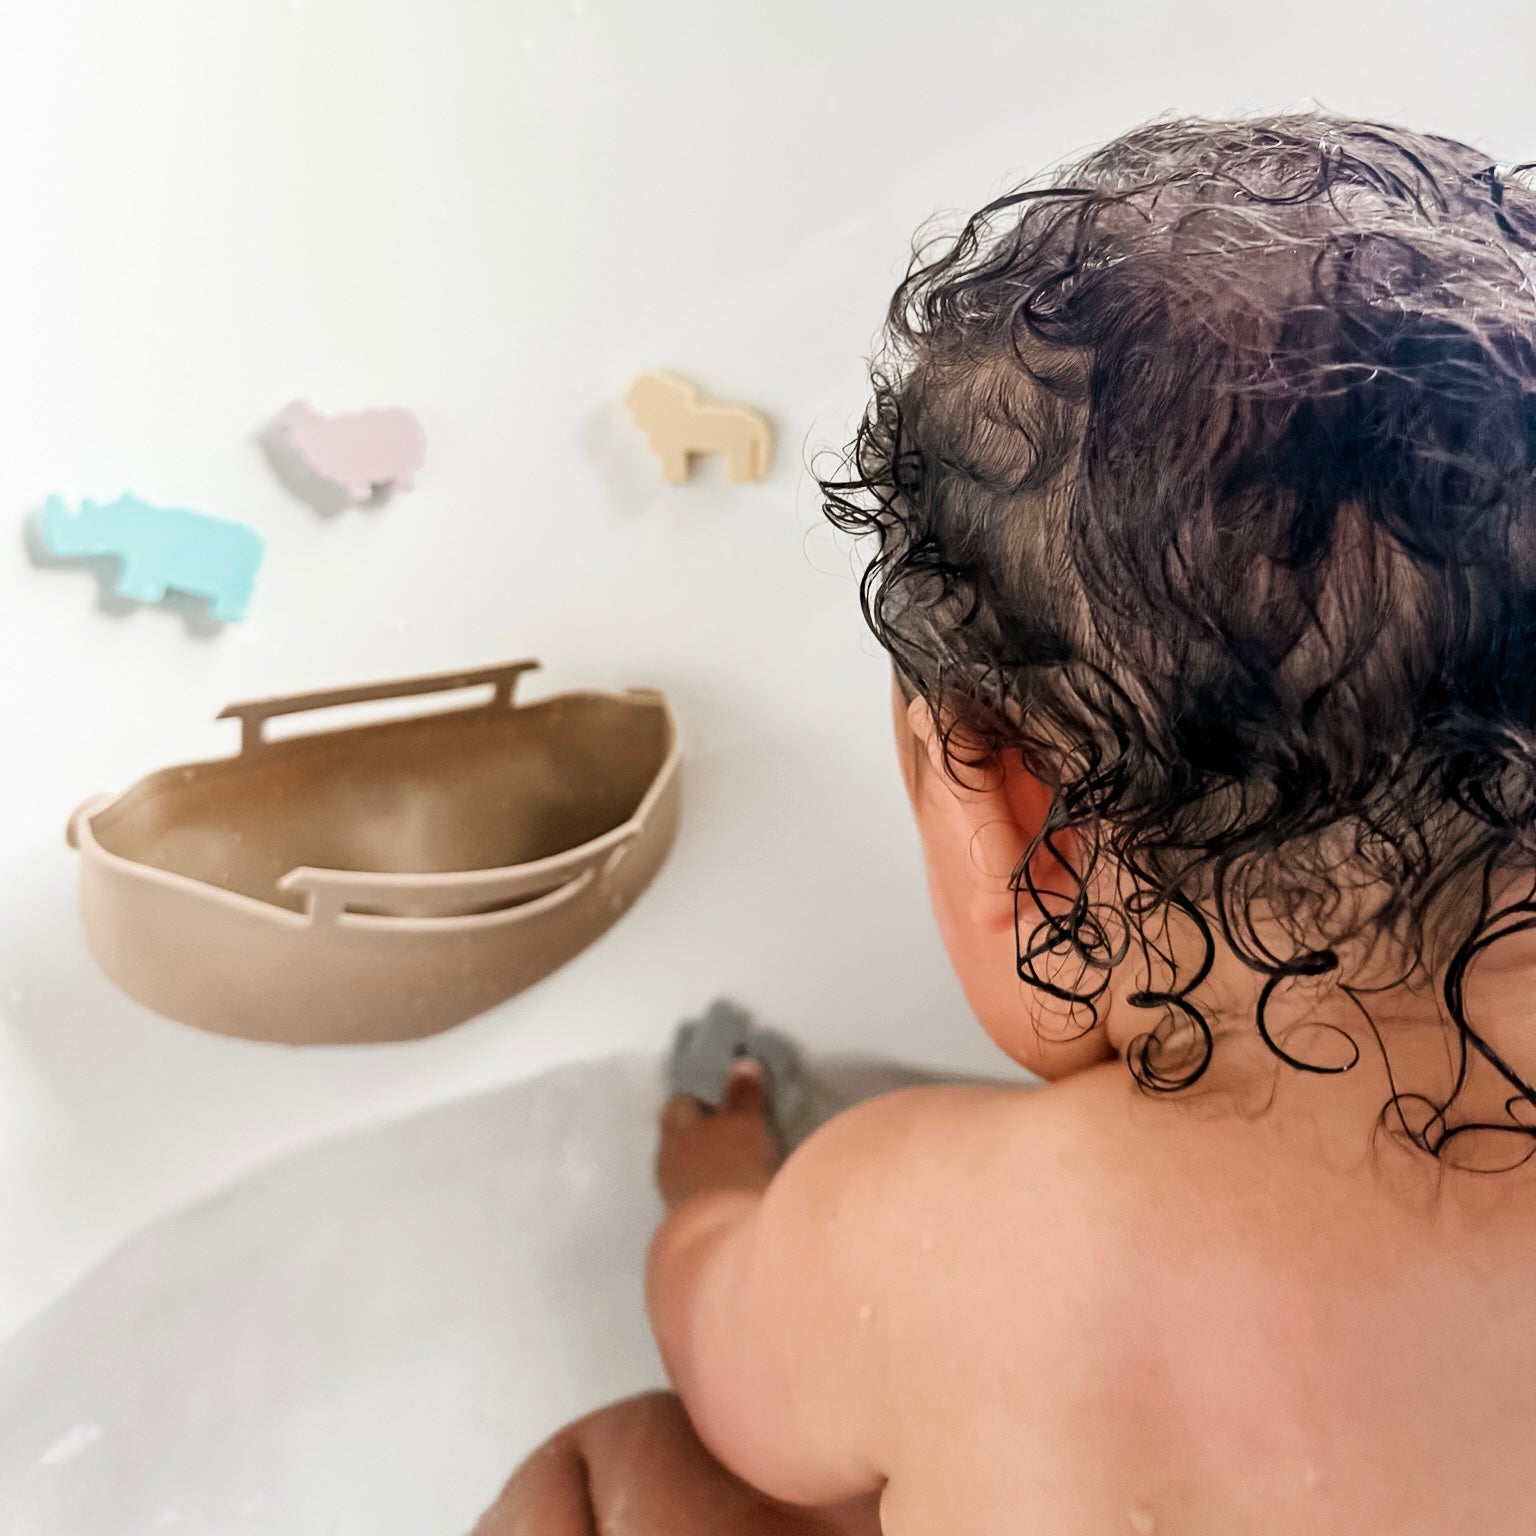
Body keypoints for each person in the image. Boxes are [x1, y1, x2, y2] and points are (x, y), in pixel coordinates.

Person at [476, 109, 1536, 1534]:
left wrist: (714, 1200)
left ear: (1025, 823)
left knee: (621, 1469)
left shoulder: (956, 1245)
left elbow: (720, 1354)